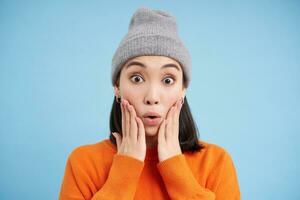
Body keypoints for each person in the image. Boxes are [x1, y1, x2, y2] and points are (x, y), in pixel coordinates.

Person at [59, 7, 241, 200]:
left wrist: (175, 167)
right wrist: (125, 168)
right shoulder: (83, 163)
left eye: (168, 80)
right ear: (117, 87)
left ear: (183, 90)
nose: (152, 96)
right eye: (137, 78)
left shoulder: (216, 162)